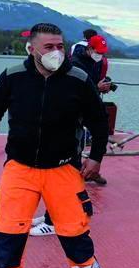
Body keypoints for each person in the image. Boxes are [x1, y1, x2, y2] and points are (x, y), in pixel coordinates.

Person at [0, 23, 110, 268]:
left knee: (76, 233)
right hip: (20, 170)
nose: (56, 52)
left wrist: (96, 156)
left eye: (59, 45)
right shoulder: (12, 76)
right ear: (31, 49)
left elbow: (99, 120)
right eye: (48, 47)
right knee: (7, 237)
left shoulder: (77, 79)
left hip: (63, 170)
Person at [30, 33, 113, 236]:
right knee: (60, 177)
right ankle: (52, 217)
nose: (100, 56)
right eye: (97, 52)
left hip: (74, 128)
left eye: (103, 54)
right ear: (88, 49)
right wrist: (96, 87)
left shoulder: (90, 64)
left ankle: (52, 217)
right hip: (69, 127)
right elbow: (78, 89)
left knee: (61, 176)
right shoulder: (76, 65)